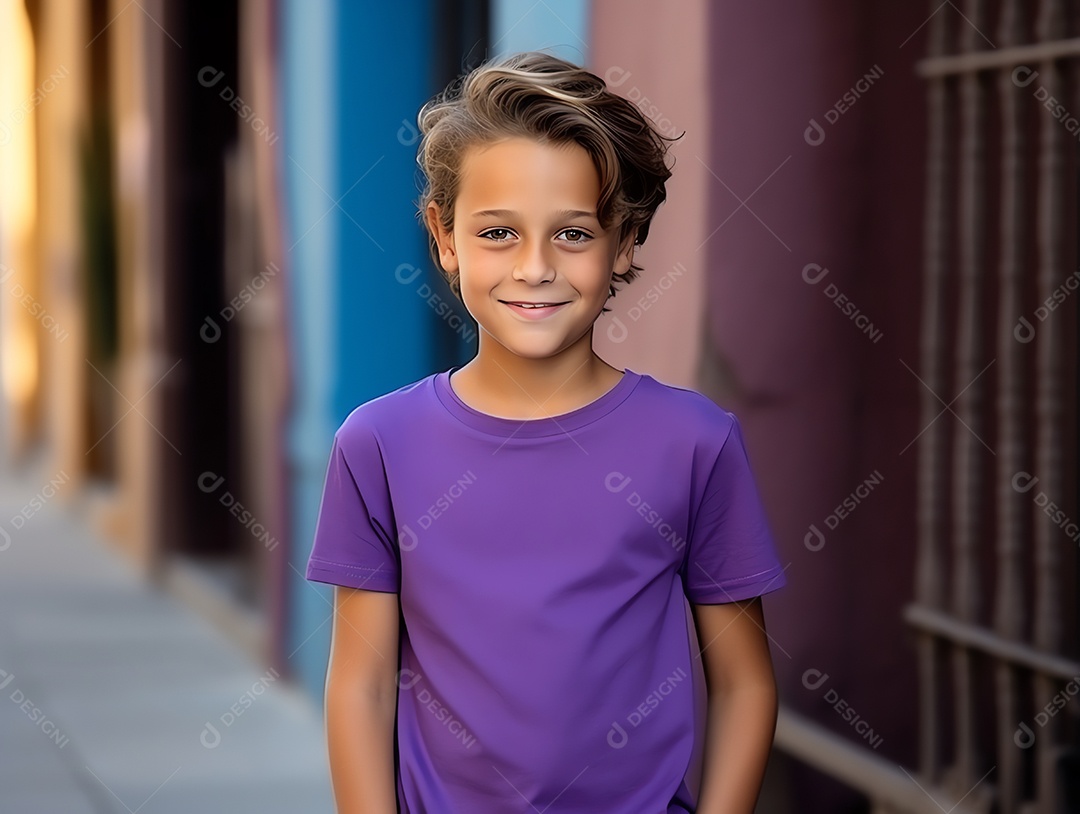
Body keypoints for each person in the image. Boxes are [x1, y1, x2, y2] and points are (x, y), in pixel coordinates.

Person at [305, 49, 787, 814]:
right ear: (444, 237)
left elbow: (745, 683)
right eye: (499, 232)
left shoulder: (695, 442)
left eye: (573, 234)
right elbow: (360, 684)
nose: (534, 268)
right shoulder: (378, 445)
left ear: (624, 242)